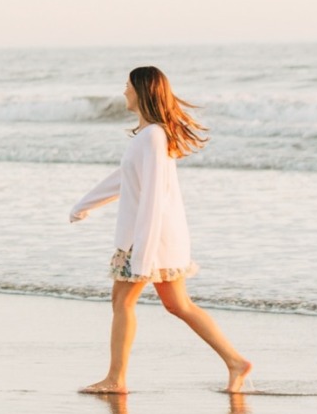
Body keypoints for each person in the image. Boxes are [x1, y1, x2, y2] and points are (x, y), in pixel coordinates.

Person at [70, 66, 252, 393]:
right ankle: (236, 362)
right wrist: (85, 204)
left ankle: (116, 379)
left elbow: (153, 197)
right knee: (177, 305)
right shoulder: (147, 135)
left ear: (141, 91)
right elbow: (124, 179)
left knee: (124, 302)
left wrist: (142, 256)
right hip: (150, 239)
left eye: (127, 86)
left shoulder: (154, 136)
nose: (123, 91)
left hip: (149, 241)